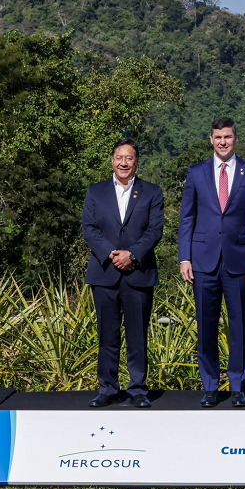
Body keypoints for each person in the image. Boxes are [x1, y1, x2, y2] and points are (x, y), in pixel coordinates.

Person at [179, 117, 245, 408]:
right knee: (206, 325)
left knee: (240, 325)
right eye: (218, 137)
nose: (222, 142)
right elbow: (187, 219)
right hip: (203, 261)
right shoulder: (196, 173)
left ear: (235, 138)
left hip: (241, 261)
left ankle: (238, 386)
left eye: (227, 137)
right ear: (211, 139)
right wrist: (184, 257)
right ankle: (210, 386)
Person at [82, 139, 164, 408]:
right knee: (107, 335)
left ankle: (137, 389)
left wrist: (132, 255)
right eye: (119, 157)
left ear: (136, 161)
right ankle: (107, 388)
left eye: (129, 158)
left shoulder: (152, 192)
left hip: (138, 273)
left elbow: (154, 231)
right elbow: (89, 229)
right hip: (105, 272)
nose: (124, 162)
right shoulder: (95, 192)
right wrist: (112, 254)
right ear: (112, 160)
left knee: (138, 336)